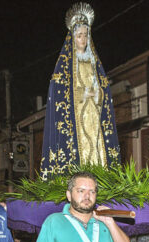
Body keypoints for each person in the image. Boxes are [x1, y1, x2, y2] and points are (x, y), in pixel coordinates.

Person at [40, 2, 121, 180]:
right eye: (79, 35)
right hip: (76, 116)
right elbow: (59, 89)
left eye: (85, 35)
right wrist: (82, 94)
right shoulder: (66, 67)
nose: (83, 39)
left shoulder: (94, 63)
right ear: (72, 37)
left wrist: (98, 93)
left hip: (93, 113)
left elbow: (103, 89)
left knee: (97, 147)